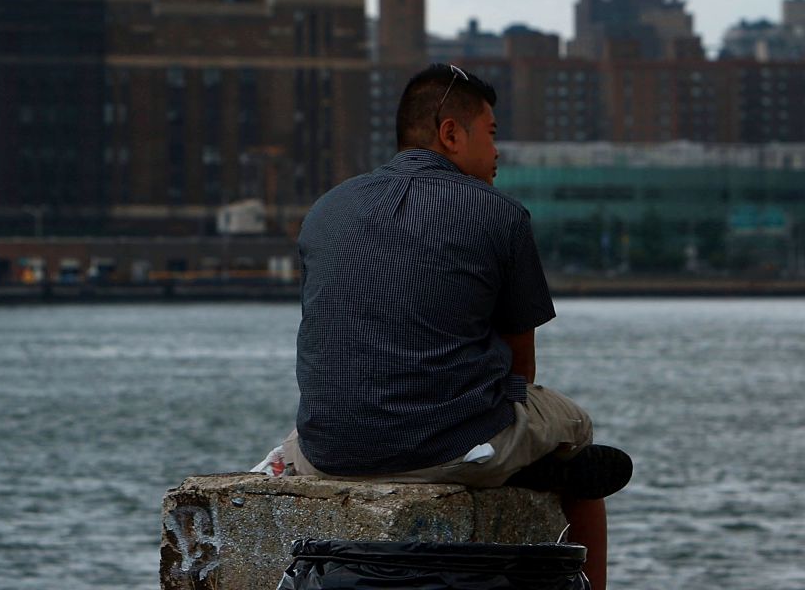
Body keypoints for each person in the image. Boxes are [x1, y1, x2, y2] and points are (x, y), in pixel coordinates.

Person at [261, 63, 630, 590]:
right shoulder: (501, 215)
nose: (498, 152)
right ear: (451, 133)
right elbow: (521, 372)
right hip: (447, 444)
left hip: (328, 450)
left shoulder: (325, 210)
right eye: (492, 134)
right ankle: (588, 580)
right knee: (576, 426)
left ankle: (500, 462)